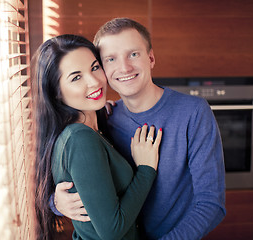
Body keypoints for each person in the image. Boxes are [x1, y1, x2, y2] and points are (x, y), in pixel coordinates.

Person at [54, 18, 226, 239]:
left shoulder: (193, 113)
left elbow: (211, 204)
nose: (124, 67)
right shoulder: (104, 117)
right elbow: (81, 178)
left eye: (133, 54)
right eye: (111, 59)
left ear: (151, 58)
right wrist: (57, 202)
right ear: (103, 69)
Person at [33, 34, 163, 240]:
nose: (94, 81)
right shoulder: (79, 139)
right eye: (76, 77)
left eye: (95, 67)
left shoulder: (94, 126)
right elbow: (112, 231)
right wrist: (146, 170)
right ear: (56, 91)